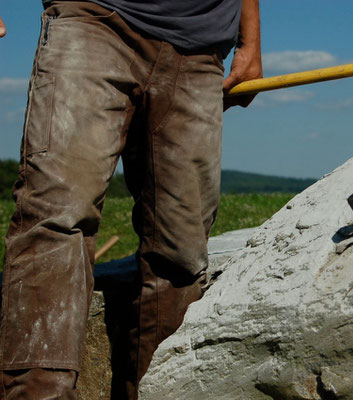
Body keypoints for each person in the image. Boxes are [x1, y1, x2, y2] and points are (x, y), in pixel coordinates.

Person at [0, 0, 262, 398]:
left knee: (181, 253)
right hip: (94, 18)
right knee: (56, 219)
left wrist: (250, 41)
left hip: (201, 45)